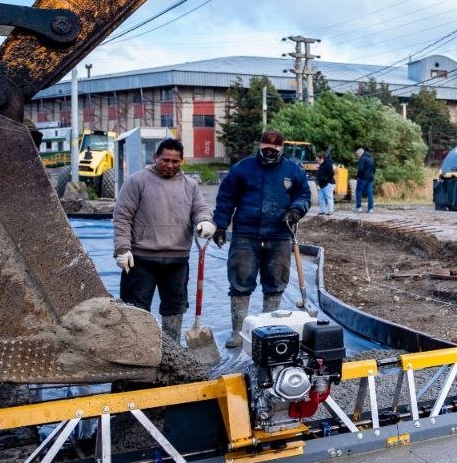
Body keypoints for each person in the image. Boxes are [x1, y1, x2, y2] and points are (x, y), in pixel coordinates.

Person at [212, 130, 311, 348]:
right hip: (245, 236)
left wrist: (295, 211)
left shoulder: (293, 171)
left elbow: (303, 195)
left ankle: (269, 330)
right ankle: (238, 331)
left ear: (281, 149)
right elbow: (226, 197)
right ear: (260, 145)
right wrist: (220, 225)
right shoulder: (243, 169)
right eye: (266, 148)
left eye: (274, 150)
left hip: (279, 236)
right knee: (239, 282)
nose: (269, 152)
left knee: (275, 284)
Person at [112, 138, 215, 343]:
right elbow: (122, 216)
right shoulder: (137, 181)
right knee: (136, 308)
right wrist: (122, 248)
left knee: (175, 308)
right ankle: (137, 349)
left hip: (176, 260)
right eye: (165, 160)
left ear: (181, 161)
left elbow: (200, 209)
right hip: (141, 259)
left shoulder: (190, 185)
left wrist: (204, 222)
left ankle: (172, 350)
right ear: (155, 157)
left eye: (175, 161)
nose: (169, 165)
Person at [354, 146, 376, 213]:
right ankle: (370, 209)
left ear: (360, 153)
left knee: (358, 191)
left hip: (362, 178)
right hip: (370, 178)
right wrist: (371, 174)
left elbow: (360, 169)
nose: (357, 156)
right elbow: (374, 169)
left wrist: (358, 176)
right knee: (370, 193)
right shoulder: (371, 158)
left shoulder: (362, 158)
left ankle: (358, 207)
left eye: (357, 155)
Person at [316, 151, 336, 216]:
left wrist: (325, 178)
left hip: (329, 183)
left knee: (329, 197)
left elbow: (332, 173)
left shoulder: (328, 164)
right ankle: (322, 211)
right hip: (322, 184)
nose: (317, 162)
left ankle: (330, 211)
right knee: (320, 197)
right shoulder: (321, 164)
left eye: (318, 160)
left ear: (322, 159)